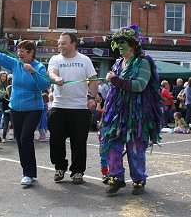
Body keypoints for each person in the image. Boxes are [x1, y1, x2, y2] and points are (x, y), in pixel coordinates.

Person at [0, 27, 50, 186]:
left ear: (31, 52)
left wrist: (33, 73)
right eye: (18, 50)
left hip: (34, 108)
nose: (19, 53)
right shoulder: (15, 64)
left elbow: (44, 85)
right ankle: (27, 172)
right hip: (15, 108)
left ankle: (29, 173)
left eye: (23, 51)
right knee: (20, 140)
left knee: (26, 138)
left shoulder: (39, 67)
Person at [100, 25, 162, 195]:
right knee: (112, 144)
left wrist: (115, 80)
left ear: (133, 45)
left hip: (137, 113)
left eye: (123, 42)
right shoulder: (119, 62)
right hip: (117, 113)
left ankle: (138, 180)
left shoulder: (143, 62)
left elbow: (139, 85)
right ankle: (116, 178)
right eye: (117, 42)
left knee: (135, 148)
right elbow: (114, 85)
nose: (119, 45)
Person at [47, 32, 98, 184]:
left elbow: (93, 80)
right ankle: (60, 167)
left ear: (73, 44)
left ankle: (77, 171)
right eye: (59, 43)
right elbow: (52, 73)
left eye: (63, 43)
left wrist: (92, 98)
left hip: (80, 108)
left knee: (79, 142)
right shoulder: (55, 59)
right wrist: (57, 79)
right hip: (59, 106)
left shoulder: (84, 60)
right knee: (56, 139)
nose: (60, 46)